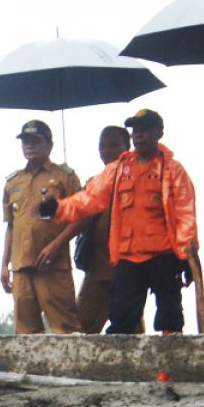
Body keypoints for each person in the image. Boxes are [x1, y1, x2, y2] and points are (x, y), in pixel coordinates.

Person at [41, 109, 197, 335]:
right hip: (128, 255)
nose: (139, 136)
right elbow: (89, 199)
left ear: (158, 133)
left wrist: (186, 256)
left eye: (144, 131)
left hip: (163, 253)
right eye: (136, 131)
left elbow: (185, 213)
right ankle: (124, 369)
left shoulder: (173, 170)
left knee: (169, 315)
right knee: (121, 317)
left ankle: (168, 370)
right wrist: (58, 208)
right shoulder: (119, 169)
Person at [0, 120, 82, 334]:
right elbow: (11, 226)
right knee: (25, 333)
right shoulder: (12, 182)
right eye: (26, 141)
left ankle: (69, 368)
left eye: (36, 141)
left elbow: (81, 218)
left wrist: (55, 246)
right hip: (21, 265)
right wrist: (4, 265)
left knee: (65, 328)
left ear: (49, 145)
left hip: (51, 263)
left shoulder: (65, 177)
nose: (30, 145)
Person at [70, 126, 131, 333]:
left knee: (128, 326)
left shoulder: (136, 179)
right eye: (102, 146)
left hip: (128, 264)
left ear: (127, 147)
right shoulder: (93, 183)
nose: (106, 150)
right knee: (81, 325)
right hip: (98, 265)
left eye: (113, 145)